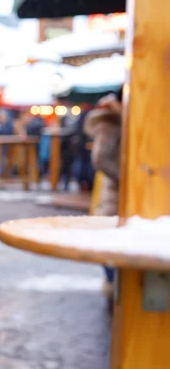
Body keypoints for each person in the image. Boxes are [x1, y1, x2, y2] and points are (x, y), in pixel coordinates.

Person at [84, 92, 122, 309]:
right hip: (115, 196)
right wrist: (127, 179)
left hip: (115, 195)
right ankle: (114, 288)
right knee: (111, 245)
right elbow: (100, 158)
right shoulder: (109, 118)